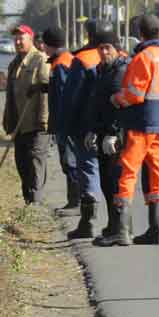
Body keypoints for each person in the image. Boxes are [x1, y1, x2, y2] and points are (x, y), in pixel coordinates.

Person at [99, 14, 159, 246]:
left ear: (140, 34)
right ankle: (157, 230)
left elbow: (134, 93)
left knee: (126, 172)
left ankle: (122, 231)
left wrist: (116, 99)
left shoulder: (143, 58)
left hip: (139, 124)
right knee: (157, 175)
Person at [81, 28, 131, 246]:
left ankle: (121, 229)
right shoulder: (102, 70)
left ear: (117, 50)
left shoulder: (121, 72)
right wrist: (92, 129)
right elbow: (97, 104)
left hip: (115, 137)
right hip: (102, 134)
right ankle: (113, 227)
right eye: (100, 48)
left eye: (107, 48)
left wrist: (113, 133)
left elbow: (121, 107)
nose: (103, 52)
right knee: (106, 182)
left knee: (115, 183)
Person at [63, 20, 111, 238]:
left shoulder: (82, 59)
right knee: (112, 174)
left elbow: (71, 97)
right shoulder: (119, 55)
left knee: (89, 168)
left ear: (90, 36)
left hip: (86, 125)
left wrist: (66, 126)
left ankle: (89, 222)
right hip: (112, 126)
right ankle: (117, 224)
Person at [3, 24, 51, 204]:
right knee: (22, 164)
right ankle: (27, 201)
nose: (17, 41)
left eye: (21, 37)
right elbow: (10, 96)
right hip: (19, 125)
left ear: (30, 39)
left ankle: (36, 205)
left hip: (37, 124)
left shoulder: (41, 60)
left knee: (35, 165)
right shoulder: (14, 64)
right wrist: (8, 121)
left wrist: (44, 121)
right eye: (15, 38)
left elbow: (46, 93)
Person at [41, 26, 78, 216]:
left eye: (44, 44)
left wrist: (60, 123)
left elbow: (65, 95)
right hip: (64, 122)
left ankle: (76, 202)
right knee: (68, 161)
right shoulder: (63, 60)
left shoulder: (62, 64)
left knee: (70, 162)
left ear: (51, 45)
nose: (42, 47)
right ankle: (75, 201)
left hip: (67, 124)